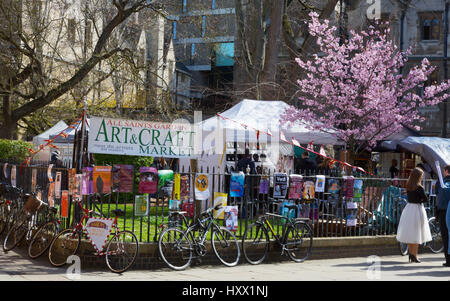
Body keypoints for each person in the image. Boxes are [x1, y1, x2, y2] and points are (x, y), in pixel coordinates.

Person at [396, 167, 432, 263]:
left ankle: (411, 255)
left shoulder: (409, 185)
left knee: (409, 232)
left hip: (409, 209)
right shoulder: (419, 187)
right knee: (417, 233)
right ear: (418, 177)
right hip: (417, 209)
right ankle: (414, 256)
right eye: (421, 176)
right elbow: (425, 199)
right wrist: (420, 199)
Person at [436, 165, 450, 267]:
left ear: (445, 171)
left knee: (445, 236)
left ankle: (448, 260)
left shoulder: (441, 182)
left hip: (443, 211)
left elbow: (436, 193)